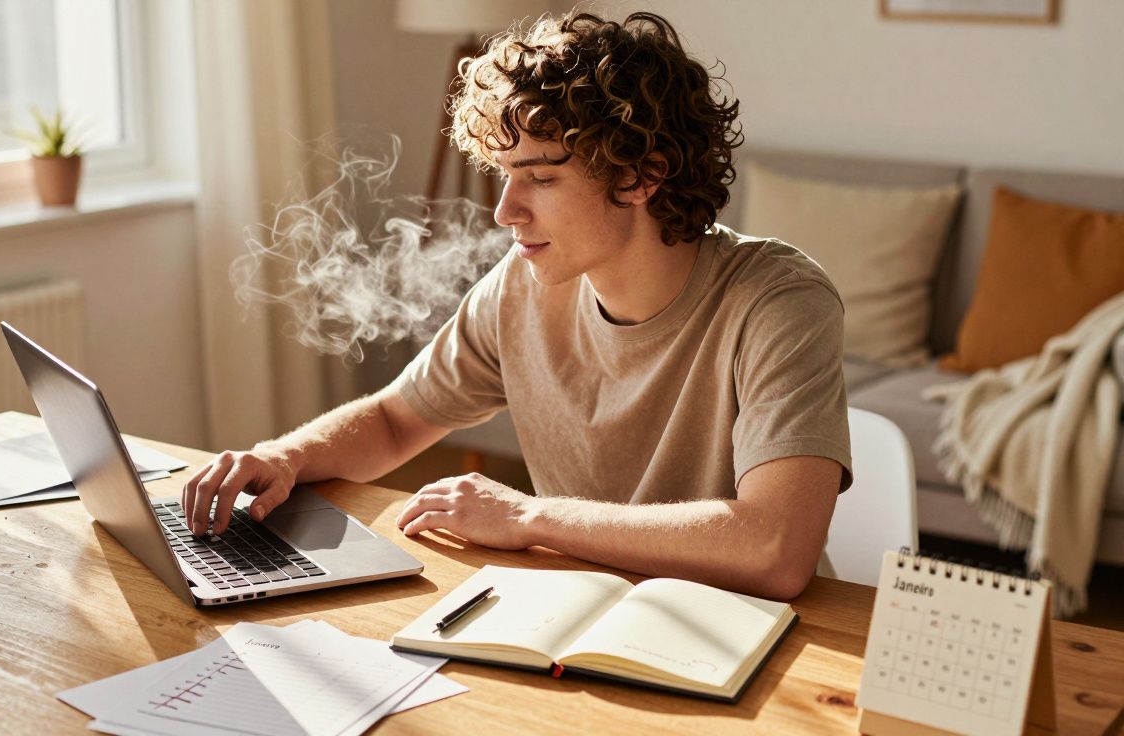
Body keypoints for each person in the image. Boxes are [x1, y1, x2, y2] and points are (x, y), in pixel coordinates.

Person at [184, 10, 851, 600]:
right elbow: (393, 420)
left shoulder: (778, 302)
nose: (506, 211)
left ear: (641, 175)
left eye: (539, 177)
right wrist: (284, 457)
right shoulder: (523, 286)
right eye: (505, 176)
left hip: (753, 635)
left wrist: (529, 517)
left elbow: (776, 550)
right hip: (579, 608)